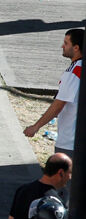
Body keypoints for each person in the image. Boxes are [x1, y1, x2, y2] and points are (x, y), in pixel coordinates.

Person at [23, 28, 83, 159]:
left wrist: (36, 127)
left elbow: (58, 105)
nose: (62, 46)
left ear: (76, 47)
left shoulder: (75, 71)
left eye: (66, 43)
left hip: (70, 141)